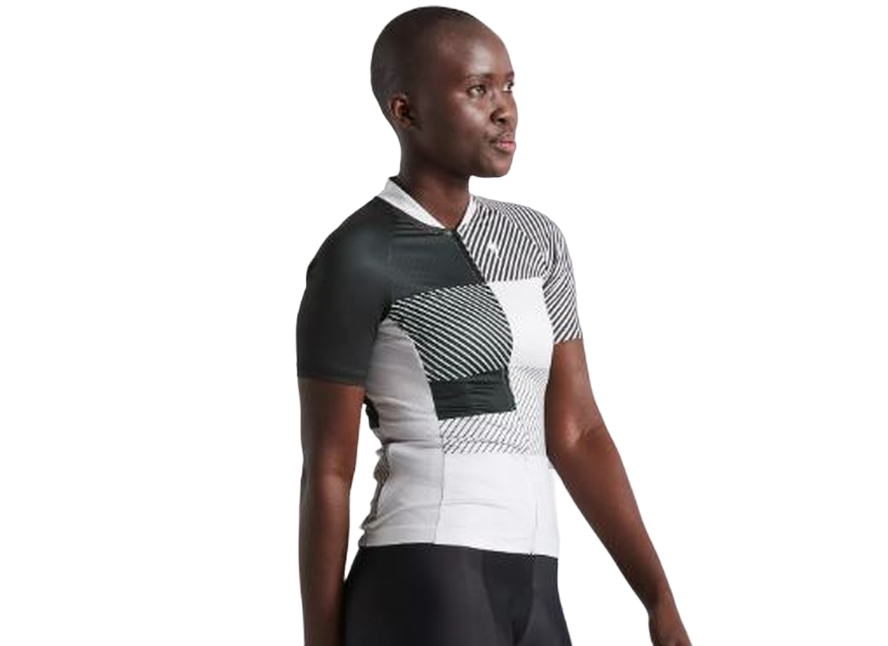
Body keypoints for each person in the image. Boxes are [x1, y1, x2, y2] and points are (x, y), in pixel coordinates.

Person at [297, 5, 692, 646]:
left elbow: (578, 432)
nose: (505, 109)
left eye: (509, 86)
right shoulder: (358, 254)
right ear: (406, 111)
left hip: (536, 577)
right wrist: (320, 640)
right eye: (477, 89)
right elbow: (328, 470)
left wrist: (657, 595)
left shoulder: (537, 238)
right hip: (424, 569)